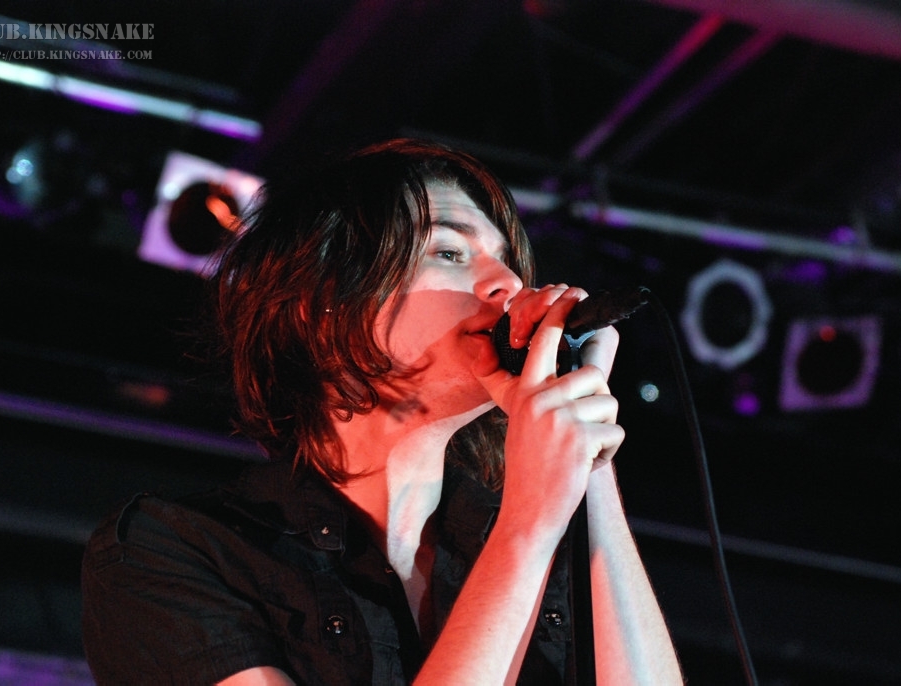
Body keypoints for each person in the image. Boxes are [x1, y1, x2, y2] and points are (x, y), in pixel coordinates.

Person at [80, 138, 683, 685]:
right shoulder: (175, 552)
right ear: (321, 304)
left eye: (508, 261)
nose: (507, 283)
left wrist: (588, 457)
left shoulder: (536, 532)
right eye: (450, 251)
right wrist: (527, 528)